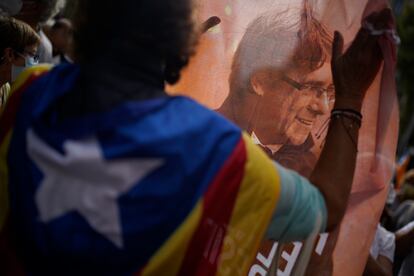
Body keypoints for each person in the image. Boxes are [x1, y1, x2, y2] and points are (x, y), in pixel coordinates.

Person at [0, 0, 389, 274]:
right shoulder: (213, 150)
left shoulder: (31, 92)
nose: (321, 105)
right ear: (183, 43)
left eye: (330, 94)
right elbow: (325, 207)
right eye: (310, 89)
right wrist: (350, 97)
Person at [217, 6, 333, 177]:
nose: (323, 108)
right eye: (310, 88)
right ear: (260, 81)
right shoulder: (199, 143)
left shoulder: (315, 169)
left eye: (330, 92)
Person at [0, 16, 40, 110]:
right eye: (32, 54)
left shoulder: (5, 88)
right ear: (10, 54)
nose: (35, 62)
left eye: (36, 57)